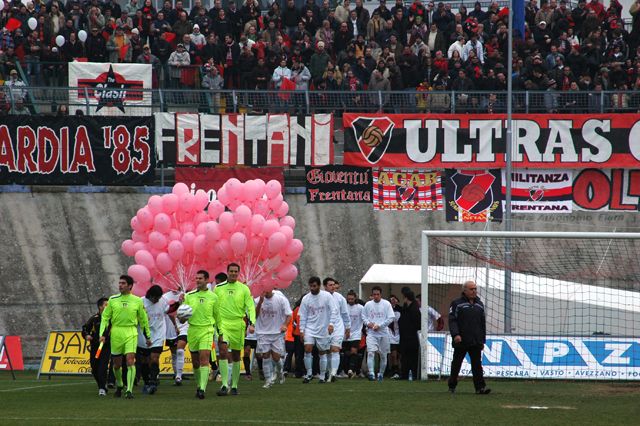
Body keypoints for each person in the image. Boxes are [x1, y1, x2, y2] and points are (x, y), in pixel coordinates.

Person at [99, 275, 151, 399]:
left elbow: (143, 320)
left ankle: (129, 390)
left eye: (123, 283)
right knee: (116, 365)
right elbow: (105, 318)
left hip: (131, 332)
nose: (120, 285)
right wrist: (102, 334)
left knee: (130, 361)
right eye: (119, 283)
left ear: (130, 286)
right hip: (116, 332)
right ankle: (120, 384)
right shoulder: (112, 300)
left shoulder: (137, 301)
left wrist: (147, 336)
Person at [214, 263, 256, 396]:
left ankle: (234, 386)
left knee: (237, 355)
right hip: (223, 324)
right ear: (227, 272)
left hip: (238, 324)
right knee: (223, 351)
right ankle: (224, 384)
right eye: (231, 271)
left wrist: (252, 323)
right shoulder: (218, 288)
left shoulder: (244, 289)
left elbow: (250, 307)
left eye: (235, 271)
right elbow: (213, 307)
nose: (233, 273)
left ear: (238, 273)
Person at [448, 280, 491, 395]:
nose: (474, 291)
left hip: (475, 341)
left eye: (475, 289)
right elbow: (452, 321)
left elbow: (482, 323)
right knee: (456, 364)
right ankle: (452, 385)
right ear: (465, 290)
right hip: (461, 340)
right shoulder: (456, 303)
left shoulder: (479, 304)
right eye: (471, 289)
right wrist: (456, 334)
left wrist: (482, 340)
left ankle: (480, 388)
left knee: (477, 365)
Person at [181, 270, 219, 399]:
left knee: (204, 358)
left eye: (200, 278)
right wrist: (181, 315)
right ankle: (199, 385)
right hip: (193, 330)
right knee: (195, 362)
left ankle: (202, 389)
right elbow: (182, 318)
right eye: (196, 278)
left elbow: (217, 316)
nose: (197, 280)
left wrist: (220, 332)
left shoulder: (213, 297)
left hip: (207, 330)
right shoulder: (189, 296)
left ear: (207, 280)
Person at [299, 276, 340, 384]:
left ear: (319, 286)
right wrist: (302, 330)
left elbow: (334, 311)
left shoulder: (326, 296)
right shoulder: (306, 298)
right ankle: (309, 374)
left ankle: (322, 376)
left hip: (323, 328)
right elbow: (302, 316)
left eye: (314, 286)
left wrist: (331, 324)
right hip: (309, 328)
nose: (312, 288)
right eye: (310, 286)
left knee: (322, 352)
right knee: (307, 349)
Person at [255, 288, 292, 388]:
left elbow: (289, 314)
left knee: (276, 358)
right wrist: (260, 302)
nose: (266, 290)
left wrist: (285, 324)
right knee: (265, 356)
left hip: (277, 333)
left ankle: (280, 372)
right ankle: (268, 381)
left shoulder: (281, 299)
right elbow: (254, 315)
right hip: (263, 332)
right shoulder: (257, 300)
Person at [137, 285, 169, 395]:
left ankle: (153, 381)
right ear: (150, 295)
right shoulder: (141, 302)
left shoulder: (163, 301)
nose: (156, 300)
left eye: (158, 298)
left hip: (158, 334)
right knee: (144, 360)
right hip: (143, 335)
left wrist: (179, 303)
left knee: (154, 358)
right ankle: (147, 381)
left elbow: (170, 310)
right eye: (155, 298)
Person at [362, 286, 395, 381]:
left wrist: (380, 325)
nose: (376, 296)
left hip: (384, 333)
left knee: (383, 355)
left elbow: (391, 318)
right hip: (371, 333)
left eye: (378, 294)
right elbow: (363, 317)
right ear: (372, 295)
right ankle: (371, 373)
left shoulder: (386, 304)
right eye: (374, 294)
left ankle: (381, 374)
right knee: (371, 353)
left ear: (381, 294)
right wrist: (369, 324)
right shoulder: (368, 304)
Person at [322, 277, 350, 382]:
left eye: (334, 285)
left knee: (335, 349)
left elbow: (345, 314)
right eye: (330, 285)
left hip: (337, 327)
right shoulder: (321, 297)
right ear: (325, 286)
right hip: (324, 328)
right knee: (327, 351)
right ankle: (329, 373)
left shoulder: (340, 298)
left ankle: (334, 373)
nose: (333, 287)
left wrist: (347, 327)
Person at [82, 297, 110, 396]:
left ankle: (102, 388)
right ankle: (102, 385)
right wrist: (87, 335)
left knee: (102, 367)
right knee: (94, 368)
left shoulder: (112, 318)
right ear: (100, 307)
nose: (108, 307)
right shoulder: (94, 319)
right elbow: (85, 329)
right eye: (106, 305)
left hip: (107, 347)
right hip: (95, 347)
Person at [399, 288, 420, 380]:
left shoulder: (414, 309)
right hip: (405, 336)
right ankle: (404, 374)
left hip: (411, 336)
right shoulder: (406, 307)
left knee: (412, 357)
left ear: (406, 297)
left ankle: (414, 375)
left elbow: (416, 323)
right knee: (405, 357)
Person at [343, 290, 364, 378]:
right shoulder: (344, 307)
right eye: (349, 299)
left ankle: (351, 370)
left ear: (355, 298)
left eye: (352, 299)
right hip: (345, 333)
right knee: (346, 353)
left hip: (356, 333)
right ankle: (347, 370)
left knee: (354, 351)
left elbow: (364, 318)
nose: (350, 300)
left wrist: (364, 330)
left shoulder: (360, 308)